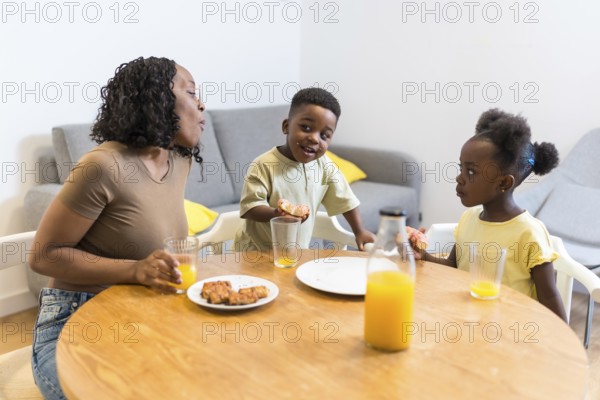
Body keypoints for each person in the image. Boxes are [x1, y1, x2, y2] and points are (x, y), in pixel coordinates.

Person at [28, 56, 206, 399]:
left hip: (142, 314)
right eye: (191, 92)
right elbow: (43, 257)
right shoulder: (103, 166)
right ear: (157, 100)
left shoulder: (179, 160)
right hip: (74, 320)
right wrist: (136, 269)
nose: (201, 104)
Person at [409, 108, 567, 322]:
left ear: (504, 182)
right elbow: (455, 267)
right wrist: (424, 256)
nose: (459, 178)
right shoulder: (469, 219)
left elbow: (549, 297)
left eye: (471, 172)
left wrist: (563, 347)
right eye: (461, 168)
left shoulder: (529, 233)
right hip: (466, 320)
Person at [234, 87, 375, 252]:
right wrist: (276, 214)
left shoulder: (324, 166)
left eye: (324, 135)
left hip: (294, 253)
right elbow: (250, 208)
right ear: (286, 126)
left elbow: (346, 200)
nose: (314, 138)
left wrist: (359, 231)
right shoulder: (263, 165)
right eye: (306, 128)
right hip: (254, 253)